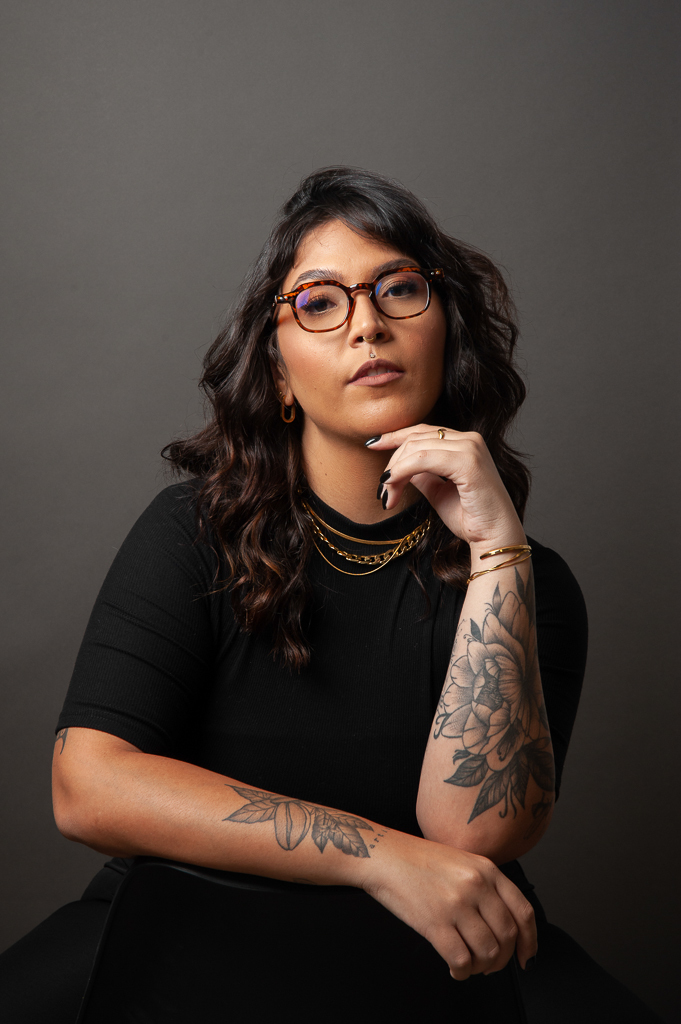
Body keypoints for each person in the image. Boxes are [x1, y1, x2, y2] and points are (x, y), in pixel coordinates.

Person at [0, 167, 662, 1022]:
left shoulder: (532, 582)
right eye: (319, 301)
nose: (367, 324)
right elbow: (90, 786)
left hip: (441, 947)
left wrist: (498, 552)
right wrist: (379, 858)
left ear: (448, 336)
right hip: (183, 921)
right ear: (278, 374)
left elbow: (473, 838)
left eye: (400, 289)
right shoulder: (191, 533)